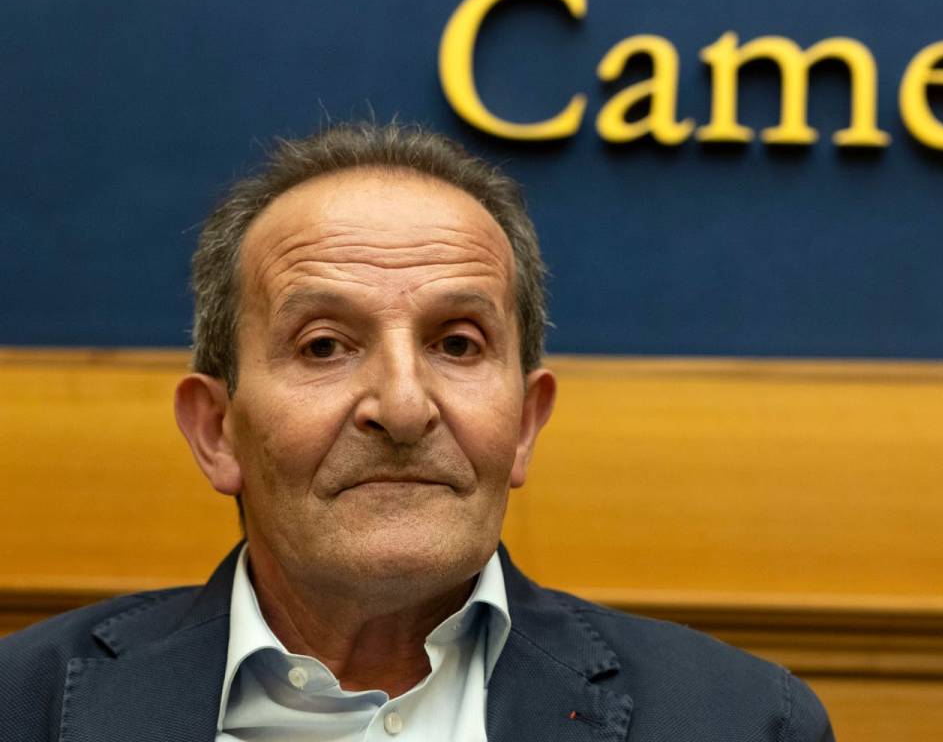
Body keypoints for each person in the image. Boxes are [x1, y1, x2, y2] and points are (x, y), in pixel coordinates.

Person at [0, 122, 835, 741]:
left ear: (525, 425)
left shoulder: (743, 723)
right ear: (216, 431)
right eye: (324, 346)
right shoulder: (21, 707)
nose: (402, 408)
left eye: (457, 344)